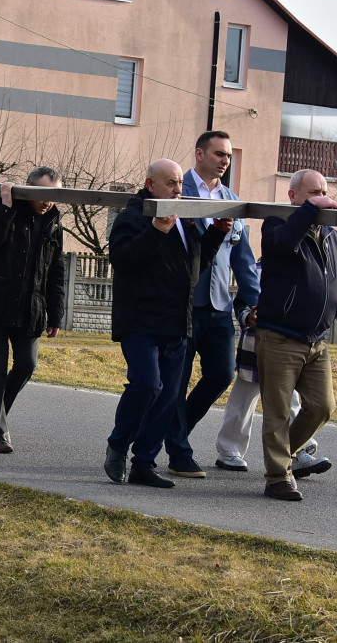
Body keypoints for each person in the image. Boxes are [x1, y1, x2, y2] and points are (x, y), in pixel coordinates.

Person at [103, 159, 230, 488]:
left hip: (177, 323)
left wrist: (216, 235)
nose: (178, 189)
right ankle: (118, 446)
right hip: (140, 321)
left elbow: (192, 267)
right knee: (148, 385)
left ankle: (144, 463)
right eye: (171, 183)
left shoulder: (184, 219)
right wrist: (156, 231)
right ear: (150, 185)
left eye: (179, 183)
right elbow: (123, 259)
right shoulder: (134, 215)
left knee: (168, 396)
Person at [256, 169, 337, 501]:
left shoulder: (332, 236)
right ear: (294, 197)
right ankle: (277, 478)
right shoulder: (274, 224)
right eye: (314, 193)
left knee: (322, 406)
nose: (322, 198)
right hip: (279, 337)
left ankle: (282, 457)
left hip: (317, 341)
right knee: (277, 410)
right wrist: (309, 210)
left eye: (325, 192)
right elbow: (285, 242)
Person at [163, 130, 260, 478]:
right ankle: (178, 452)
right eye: (219, 153)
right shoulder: (178, 191)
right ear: (199, 154)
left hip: (219, 305)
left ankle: (173, 430)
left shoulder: (232, 199)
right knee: (177, 378)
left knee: (222, 372)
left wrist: (254, 301)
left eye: (229, 156)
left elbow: (244, 259)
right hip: (183, 304)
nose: (224, 160)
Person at [0, 168, 66, 454]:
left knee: (27, 364)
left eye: (53, 196)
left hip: (30, 308)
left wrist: (55, 315)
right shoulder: (3, 206)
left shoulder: (54, 224)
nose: (47, 202)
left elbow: (56, 273)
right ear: (28, 189)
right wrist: (7, 208)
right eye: (42, 194)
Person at [215, 294, 331, 477]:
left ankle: (298, 452)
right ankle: (230, 450)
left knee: (290, 401)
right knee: (243, 400)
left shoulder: (301, 273)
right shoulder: (255, 272)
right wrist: (247, 316)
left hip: (289, 345)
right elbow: (241, 302)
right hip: (256, 342)